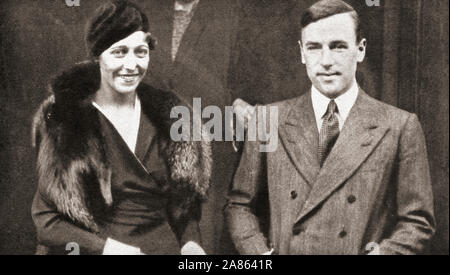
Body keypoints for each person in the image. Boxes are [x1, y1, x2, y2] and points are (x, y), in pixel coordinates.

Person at [225, 0, 435, 255]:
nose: (325, 61)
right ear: (302, 52)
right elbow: (239, 205)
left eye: (338, 47)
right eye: (314, 48)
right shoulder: (267, 119)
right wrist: (261, 256)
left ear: (360, 49)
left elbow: (417, 221)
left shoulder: (399, 126)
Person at [31, 0, 211, 255]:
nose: (131, 65)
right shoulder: (67, 119)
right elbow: (47, 223)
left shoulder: (170, 117)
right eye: (119, 52)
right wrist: (108, 249)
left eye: (140, 52)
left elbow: (183, 208)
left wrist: (192, 244)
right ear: (97, 57)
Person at [141, 0, 240, 254]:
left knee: (200, 244)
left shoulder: (231, 11)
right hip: (148, 150)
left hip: (207, 153)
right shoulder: (142, 9)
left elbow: (250, 75)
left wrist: (239, 101)